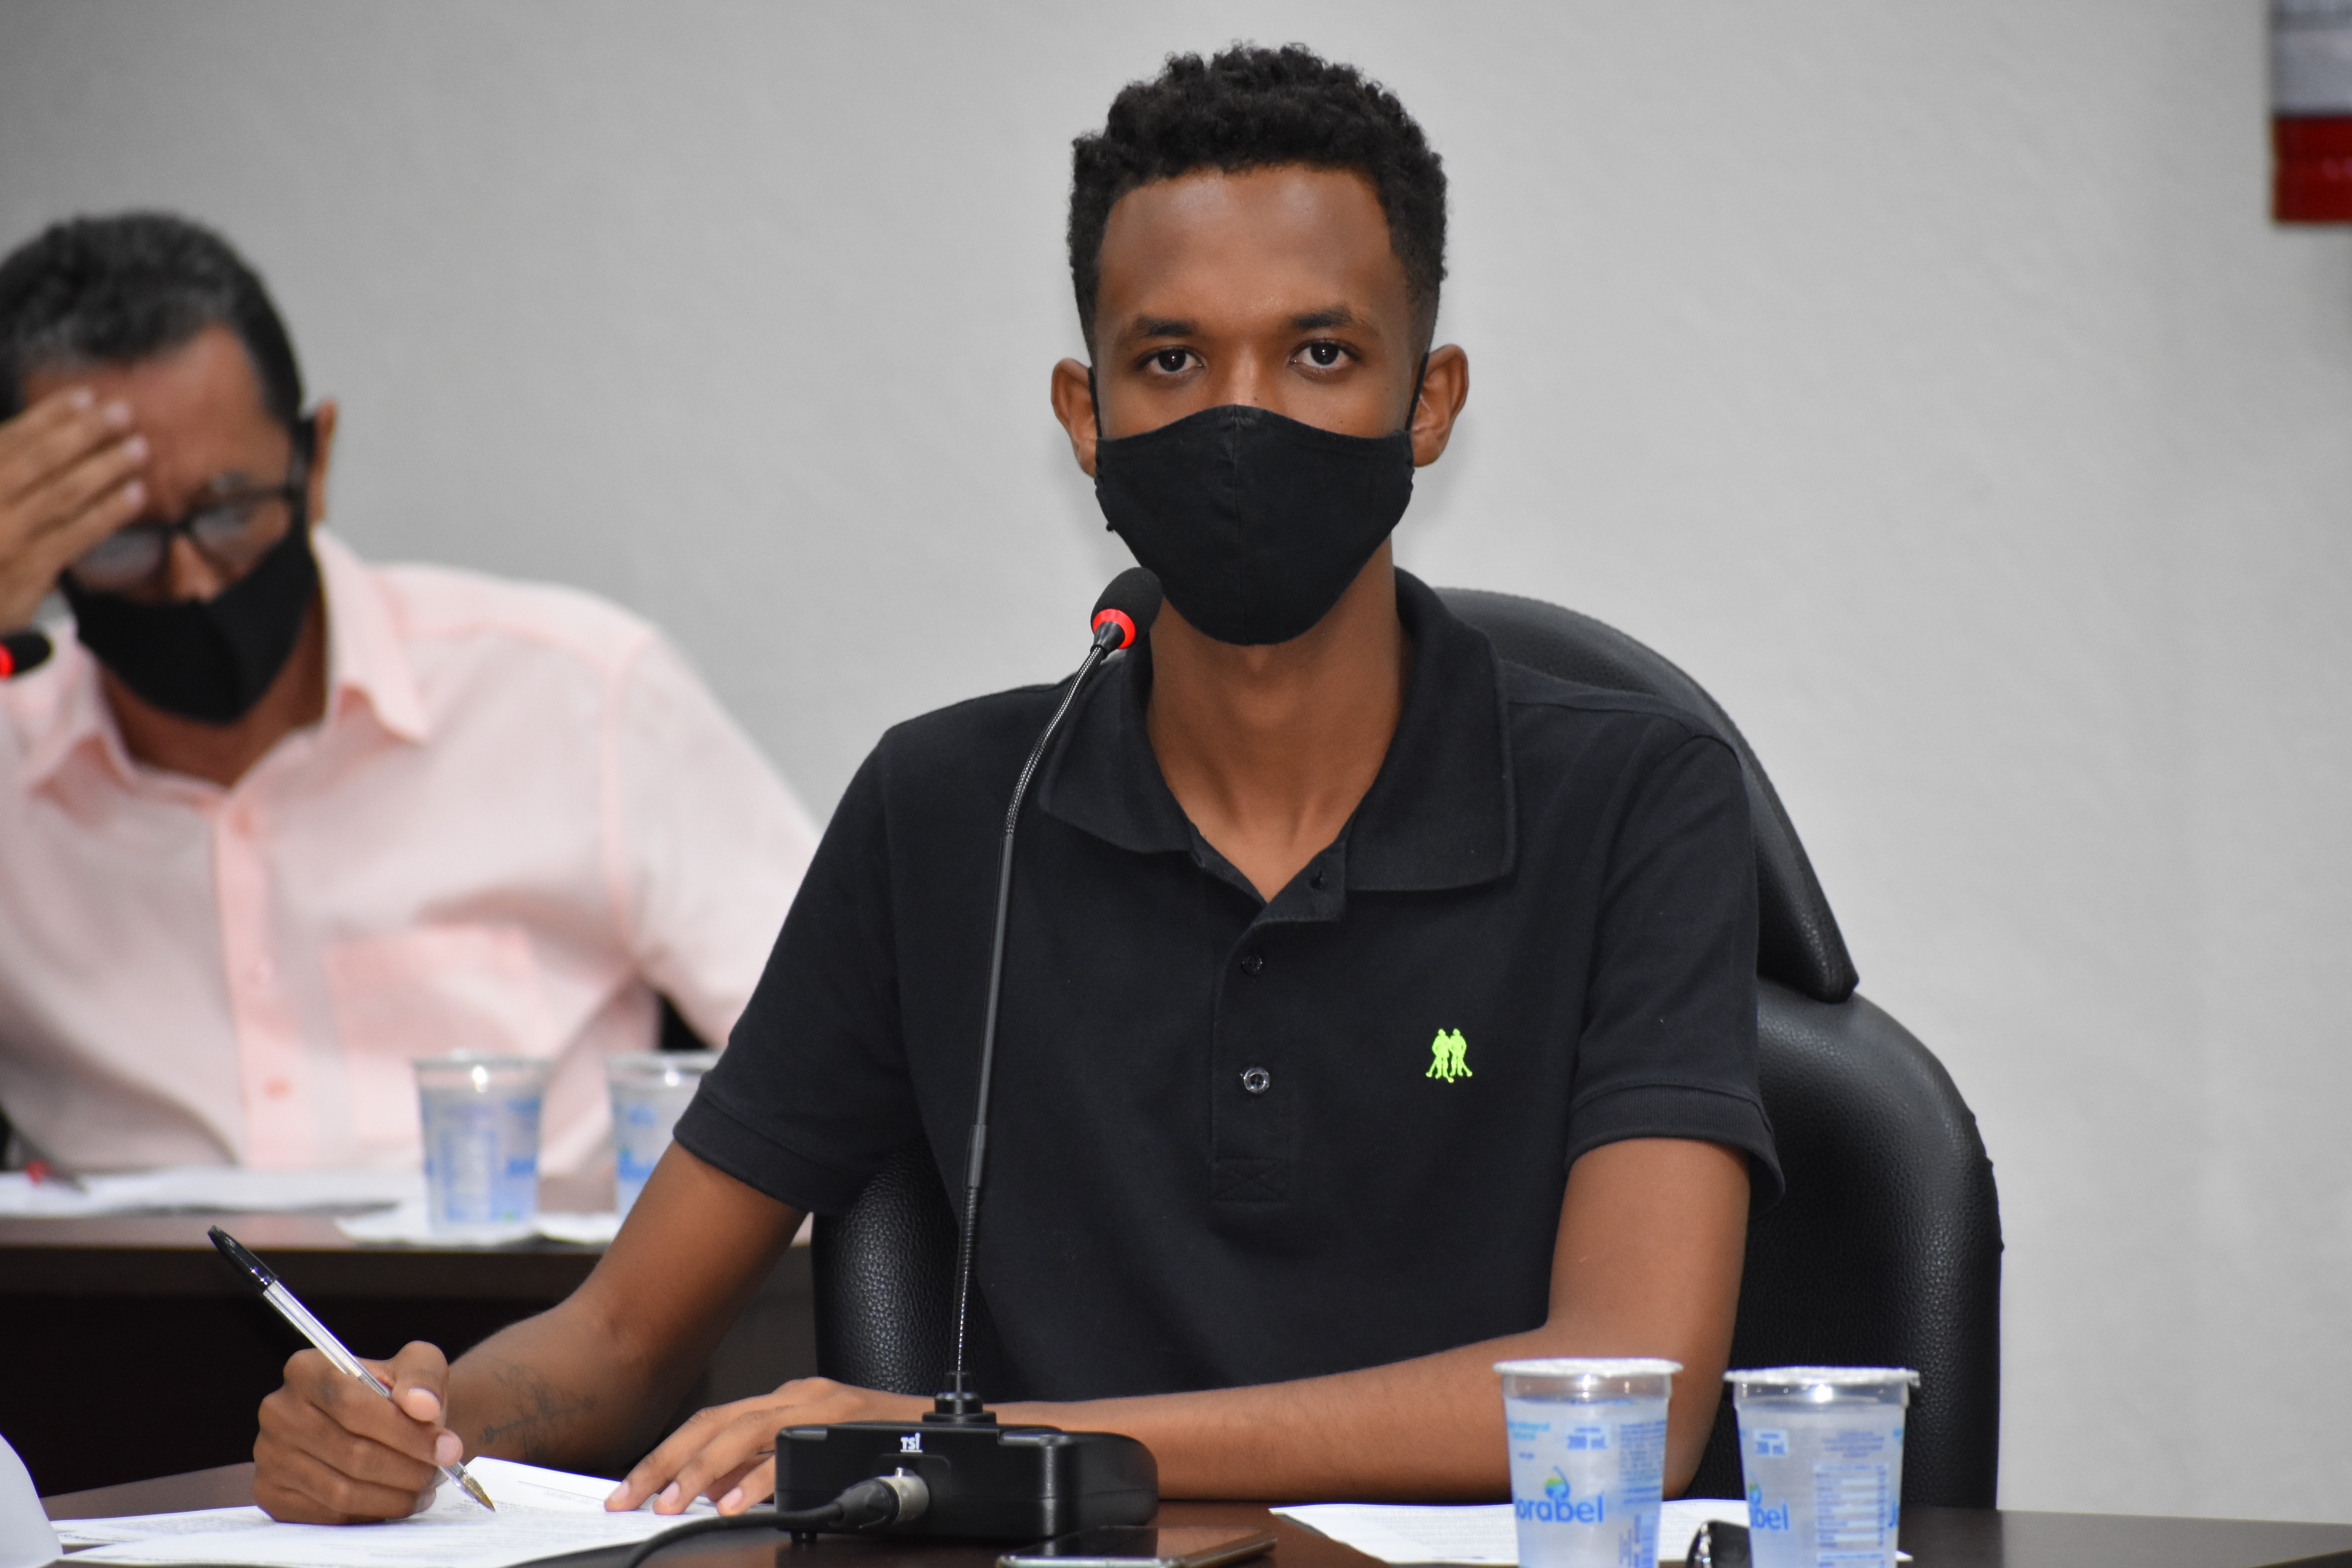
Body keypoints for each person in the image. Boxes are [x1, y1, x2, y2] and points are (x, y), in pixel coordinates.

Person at [252, 45, 1777, 1519]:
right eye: (1170, 360)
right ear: (1084, 415)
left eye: (1320, 353)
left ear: (1428, 402)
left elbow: (1628, 1394)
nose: (1240, 418)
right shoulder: (944, 813)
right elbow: (620, 1336)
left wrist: (988, 1443)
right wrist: (414, 1420)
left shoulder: (1637, 802)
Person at [0, 214, 817, 1178]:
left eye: (231, 512)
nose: (192, 581)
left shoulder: (578, 695)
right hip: (108, 1279)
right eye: (121, 538)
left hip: (535, 1275)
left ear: (315, 462)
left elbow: (849, 1070)